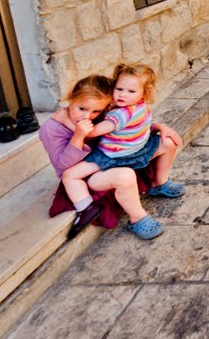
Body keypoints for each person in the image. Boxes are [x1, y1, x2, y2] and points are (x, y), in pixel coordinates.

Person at [60, 63, 184, 240]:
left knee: (70, 175)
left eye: (130, 91)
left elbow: (92, 132)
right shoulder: (140, 106)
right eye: (119, 89)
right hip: (135, 151)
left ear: (144, 94)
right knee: (169, 144)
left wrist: (66, 119)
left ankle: (148, 199)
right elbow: (144, 124)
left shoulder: (119, 115)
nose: (123, 95)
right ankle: (158, 183)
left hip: (114, 156)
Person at [39, 76, 150, 239]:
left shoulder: (103, 109)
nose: (87, 116)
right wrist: (77, 137)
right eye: (82, 108)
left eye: (96, 111)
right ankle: (138, 218)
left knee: (164, 142)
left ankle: (158, 183)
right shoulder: (51, 129)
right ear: (71, 96)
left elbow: (123, 126)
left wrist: (156, 127)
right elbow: (63, 168)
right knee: (125, 176)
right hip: (82, 178)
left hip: (106, 160)